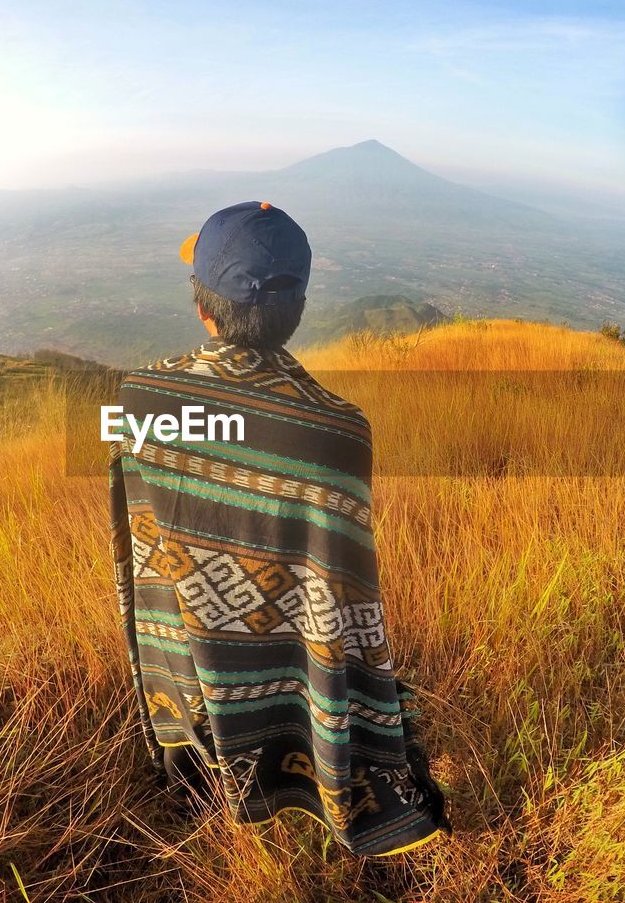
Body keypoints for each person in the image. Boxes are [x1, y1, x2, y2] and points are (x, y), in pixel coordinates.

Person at [107, 200, 451, 856]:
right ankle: (301, 787)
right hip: (294, 666)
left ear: (202, 306)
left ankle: (208, 776)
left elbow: (139, 510)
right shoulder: (340, 431)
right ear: (296, 309)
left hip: (186, 647)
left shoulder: (139, 397)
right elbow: (343, 583)